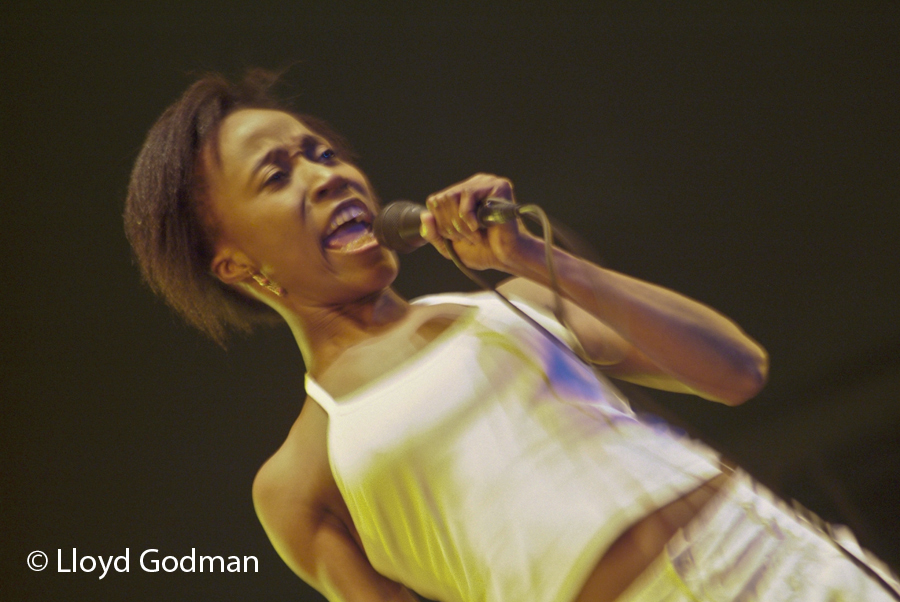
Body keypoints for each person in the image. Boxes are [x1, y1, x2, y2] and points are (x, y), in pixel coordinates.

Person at [124, 71, 899, 602]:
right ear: (235, 263)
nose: (325, 175)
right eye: (277, 174)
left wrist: (536, 258)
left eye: (322, 153)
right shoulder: (297, 478)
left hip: (780, 563)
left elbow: (737, 369)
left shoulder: (514, 301)